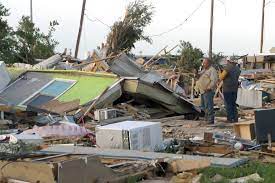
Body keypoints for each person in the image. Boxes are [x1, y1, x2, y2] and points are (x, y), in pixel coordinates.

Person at [196, 58, 218, 124]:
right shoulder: (204, 70)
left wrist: (208, 87)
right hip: (203, 90)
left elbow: (214, 81)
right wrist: (196, 73)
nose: (203, 64)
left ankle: (210, 119)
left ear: (209, 63)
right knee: (204, 105)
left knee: (209, 105)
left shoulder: (212, 70)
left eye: (205, 63)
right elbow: (199, 76)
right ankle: (206, 118)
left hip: (208, 91)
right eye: (203, 63)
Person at [219, 57, 241, 122]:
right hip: (234, 88)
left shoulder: (227, 68)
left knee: (228, 104)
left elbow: (221, 77)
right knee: (233, 104)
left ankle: (230, 118)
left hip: (227, 89)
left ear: (229, 61)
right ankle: (235, 118)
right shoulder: (237, 68)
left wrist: (219, 72)